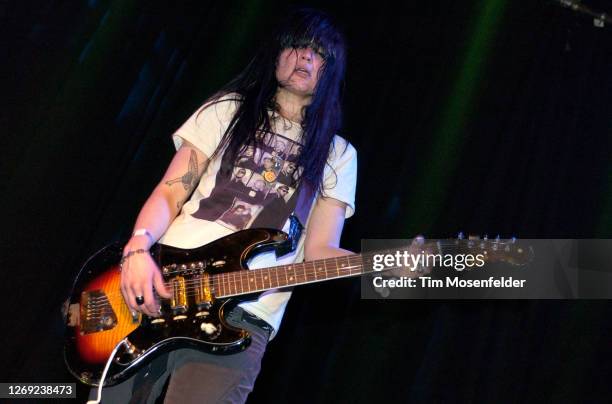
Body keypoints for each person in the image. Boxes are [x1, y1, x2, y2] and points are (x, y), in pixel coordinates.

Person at [95, 8, 357, 404]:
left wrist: (385, 265)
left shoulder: (337, 155)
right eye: (297, 46)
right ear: (277, 55)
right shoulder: (229, 109)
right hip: (162, 285)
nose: (305, 57)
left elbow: (318, 253)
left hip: (246, 316)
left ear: (331, 71)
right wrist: (137, 248)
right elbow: (170, 191)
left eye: (319, 53)